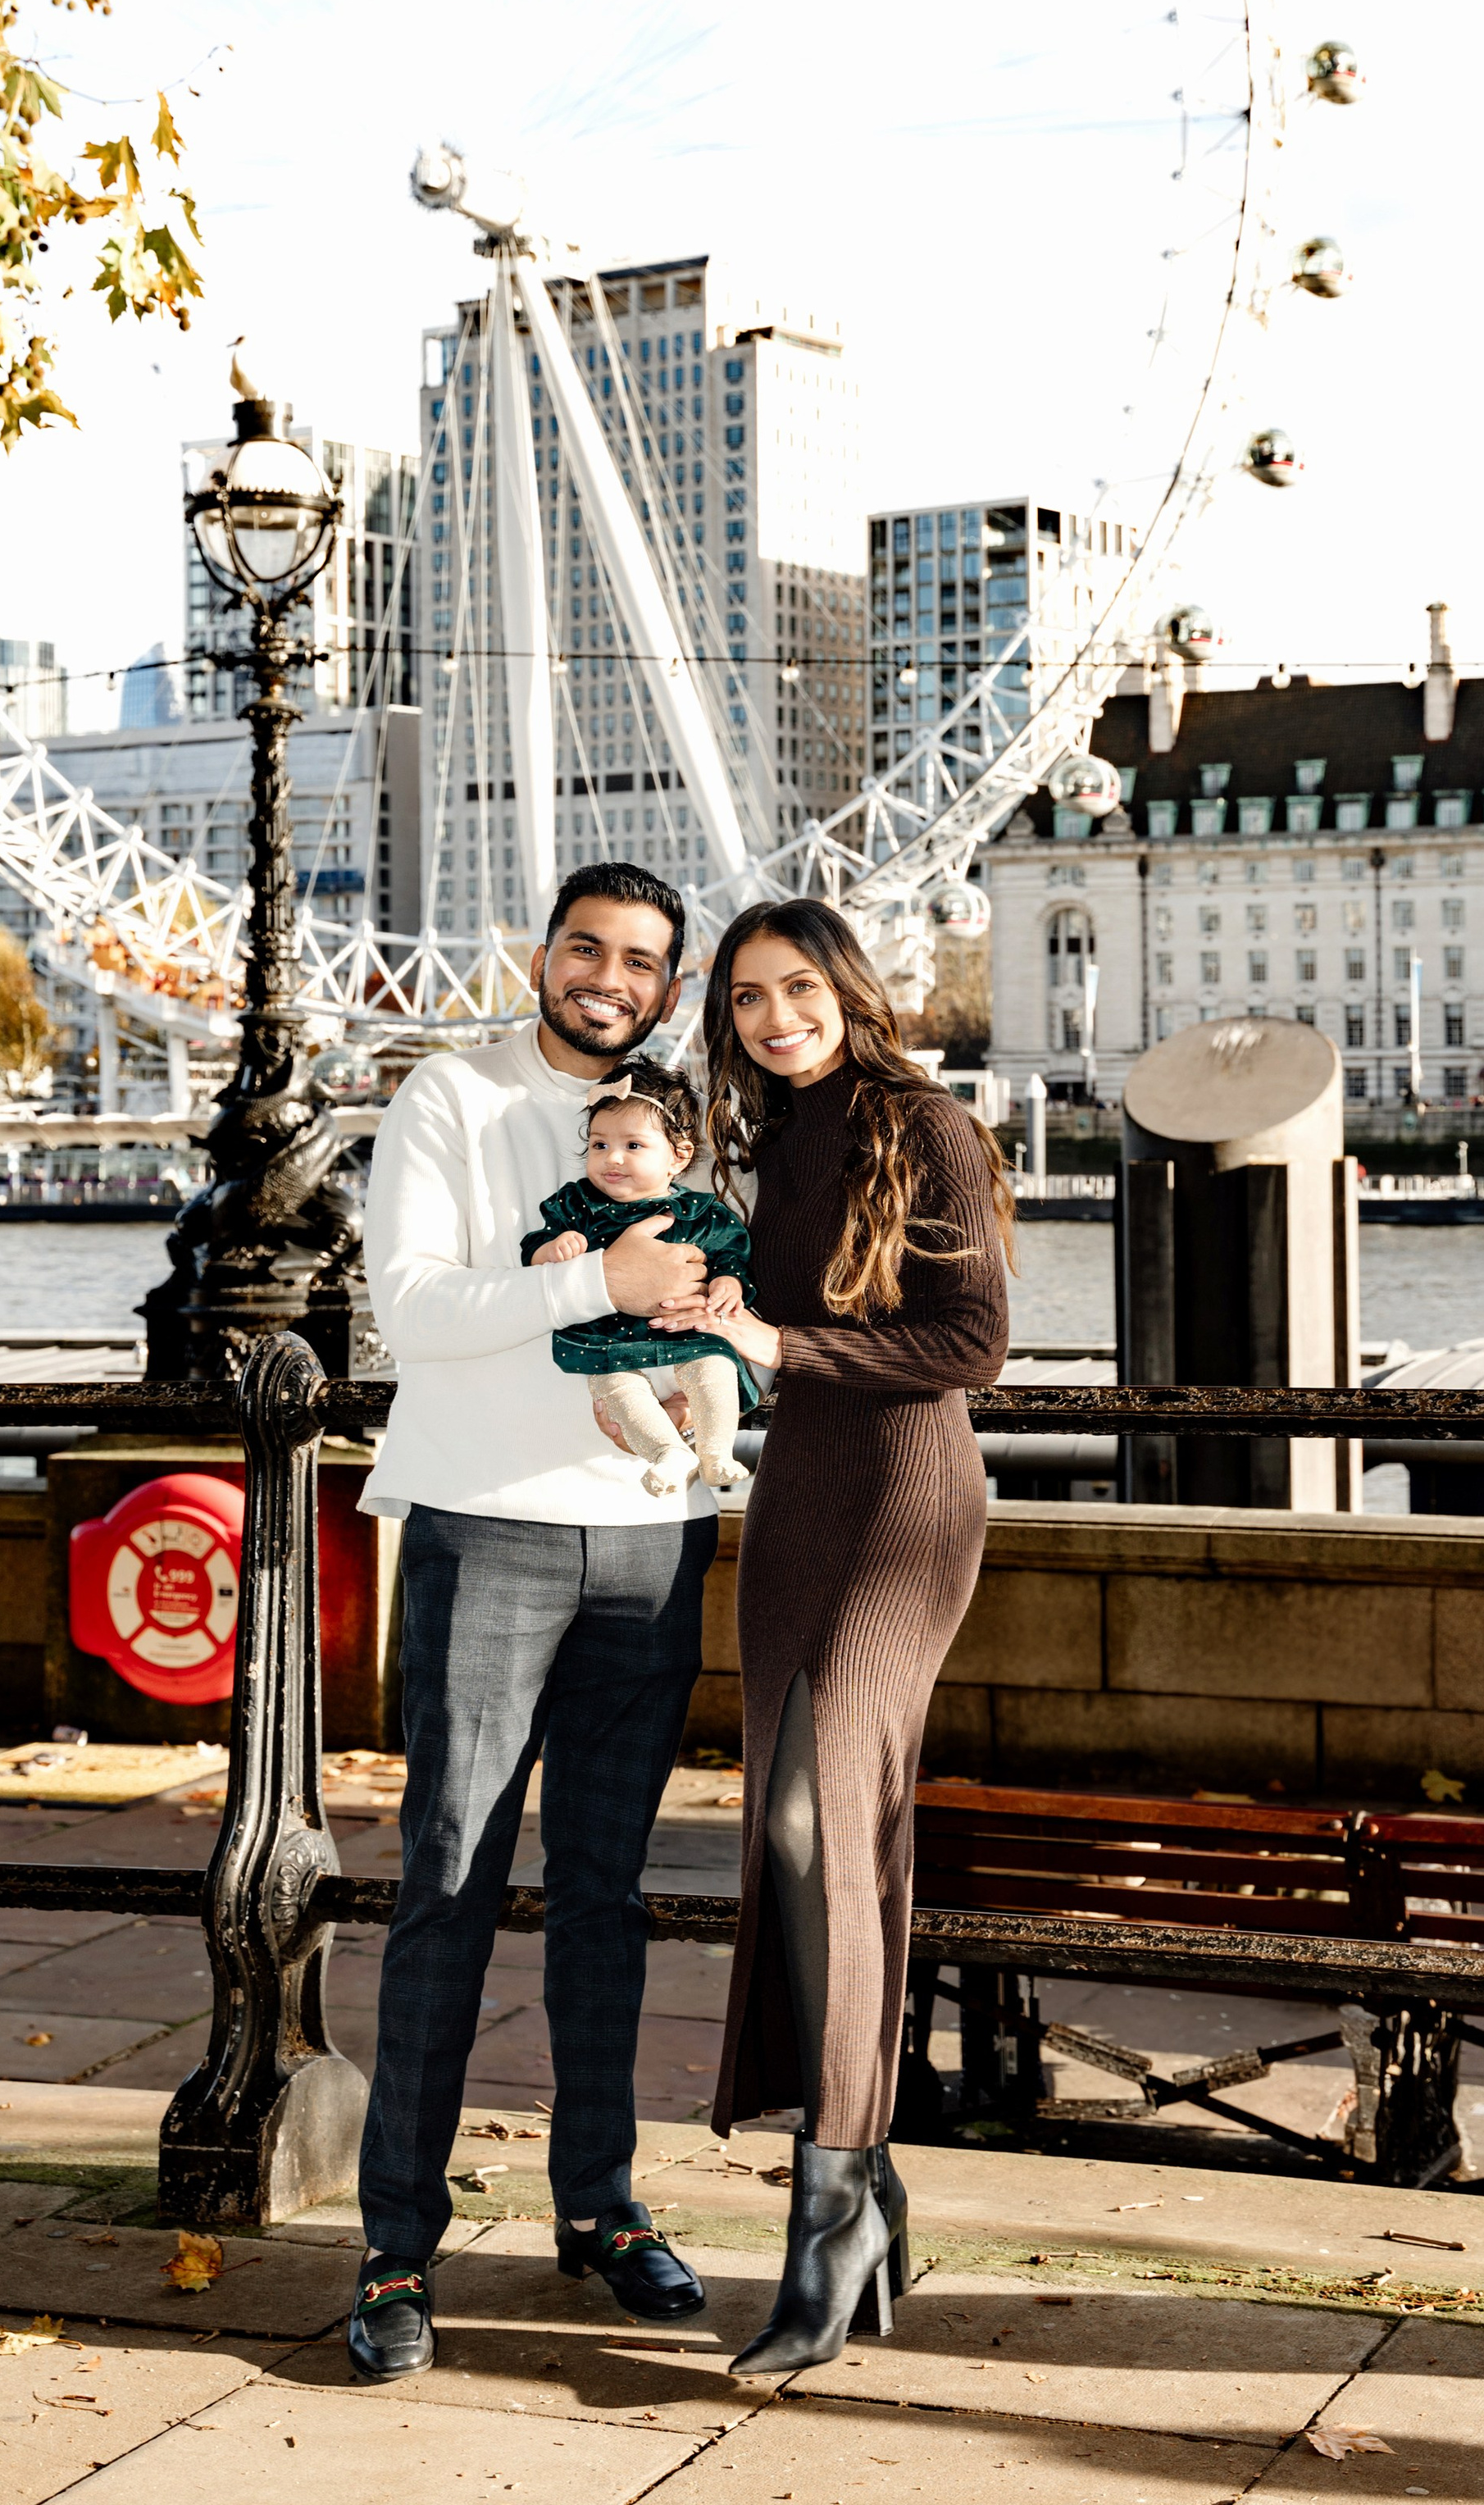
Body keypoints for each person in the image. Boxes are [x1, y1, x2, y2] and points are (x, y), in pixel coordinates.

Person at [345, 863, 720, 2382]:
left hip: (653, 1538)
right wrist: (594, 1282)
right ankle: (395, 2246)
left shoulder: (692, 1124)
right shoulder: (450, 1095)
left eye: (640, 960)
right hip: (487, 1523)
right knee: (447, 1881)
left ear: (670, 987)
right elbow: (409, 1310)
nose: (607, 978)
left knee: (605, 1897)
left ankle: (602, 2207)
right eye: (585, 948)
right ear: (541, 956)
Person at [653, 896, 1013, 2375]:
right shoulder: (768, 1141)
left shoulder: (927, 1126)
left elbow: (973, 1340)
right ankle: (865, 2179)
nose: (775, 1017)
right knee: (788, 1833)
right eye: (746, 998)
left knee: (821, 1820)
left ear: (849, 989)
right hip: (798, 1489)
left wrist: (780, 1341)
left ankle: (832, 2208)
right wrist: (712, 1319)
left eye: (797, 987)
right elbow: (767, 1326)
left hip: (906, 1499)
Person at [523, 1054, 758, 1498]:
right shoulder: (579, 1205)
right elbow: (534, 1244)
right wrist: (550, 1250)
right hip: (613, 1344)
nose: (612, 1158)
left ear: (679, 1157)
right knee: (615, 1391)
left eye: (633, 1146)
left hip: (688, 1338)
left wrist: (729, 1282)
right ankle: (667, 1453)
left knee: (716, 1371)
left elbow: (731, 1255)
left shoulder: (701, 1212)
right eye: (599, 1145)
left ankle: (716, 1450)